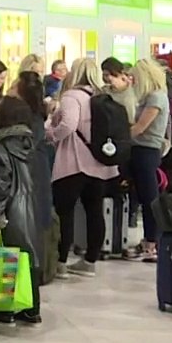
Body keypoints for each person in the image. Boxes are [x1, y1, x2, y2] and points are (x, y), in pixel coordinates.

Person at [0, 96, 47, 325]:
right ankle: (31, 308)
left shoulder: (0, 146)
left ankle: (3, 308)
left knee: (2, 255)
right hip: (28, 207)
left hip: (8, 208)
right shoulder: (29, 143)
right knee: (27, 257)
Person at [45, 58, 119, 277]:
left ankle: (61, 262)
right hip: (100, 162)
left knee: (65, 212)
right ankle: (90, 261)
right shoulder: (102, 97)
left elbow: (68, 125)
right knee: (95, 211)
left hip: (74, 162)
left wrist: (51, 134)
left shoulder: (72, 96)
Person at [126, 59, 169, 262]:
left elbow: (140, 127)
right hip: (141, 151)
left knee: (150, 199)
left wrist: (118, 139)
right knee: (145, 197)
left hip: (147, 151)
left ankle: (152, 242)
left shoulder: (156, 97)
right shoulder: (153, 96)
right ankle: (149, 240)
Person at [101, 57, 137, 122]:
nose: (109, 78)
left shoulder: (133, 91)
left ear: (121, 73)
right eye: (106, 75)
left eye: (113, 74)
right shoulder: (103, 91)